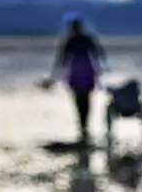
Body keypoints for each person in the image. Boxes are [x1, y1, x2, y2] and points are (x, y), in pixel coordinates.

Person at [45, 13, 106, 142]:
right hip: (84, 72)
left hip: (79, 73)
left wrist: (54, 76)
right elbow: (99, 54)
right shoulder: (85, 39)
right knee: (85, 100)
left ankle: (83, 127)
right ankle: (84, 127)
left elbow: (61, 60)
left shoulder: (71, 40)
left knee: (80, 100)